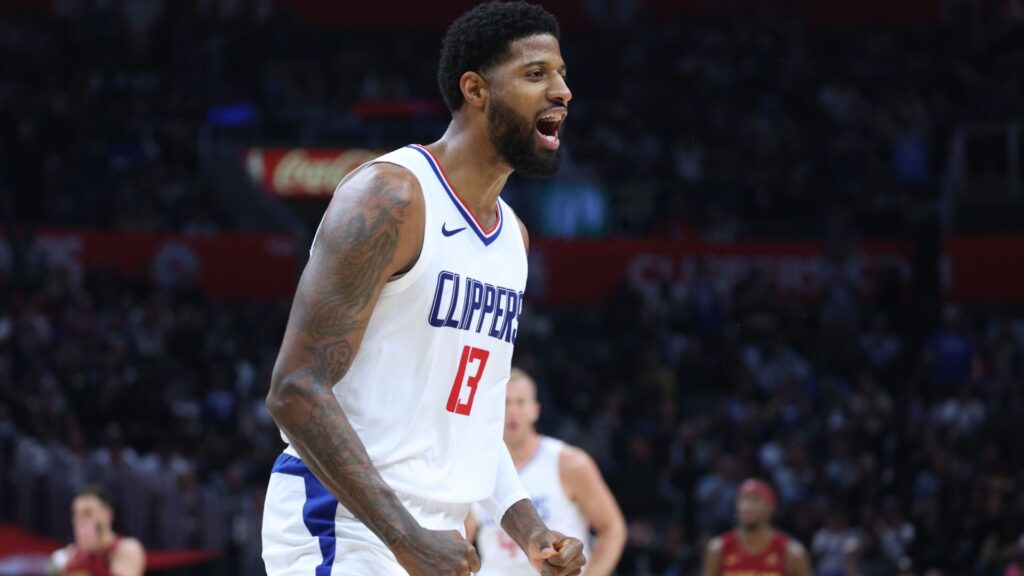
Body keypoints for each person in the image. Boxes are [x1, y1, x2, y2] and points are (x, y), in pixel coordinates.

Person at [261, 2, 586, 575]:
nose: (561, 91)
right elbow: (294, 388)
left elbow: (473, 417)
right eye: (536, 74)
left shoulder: (512, 238)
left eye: (560, 74)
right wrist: (403, 536)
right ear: (475, 89)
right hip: (343, 523)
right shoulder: (392, 197)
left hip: (438, 533)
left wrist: (529, 529)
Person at [466, 368, 627, 575]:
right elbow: (464, 533)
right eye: (504, 402)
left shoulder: (569, 463)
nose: (512, 411)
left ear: (535, 410)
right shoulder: (474, 466)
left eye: (520, 402)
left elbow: (613, 529)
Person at [703, 479, 813, 576]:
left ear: (771, 507)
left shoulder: (791, 553)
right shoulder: (718, 549)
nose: (747, 506)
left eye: (755, 499)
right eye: (743, 499)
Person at [49, 486, 146, 576]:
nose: (79, 520)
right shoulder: (69, 556)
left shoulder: (127, 548)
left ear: (108, 515)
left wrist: (90, 559)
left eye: (87, 513)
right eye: (75, 514)